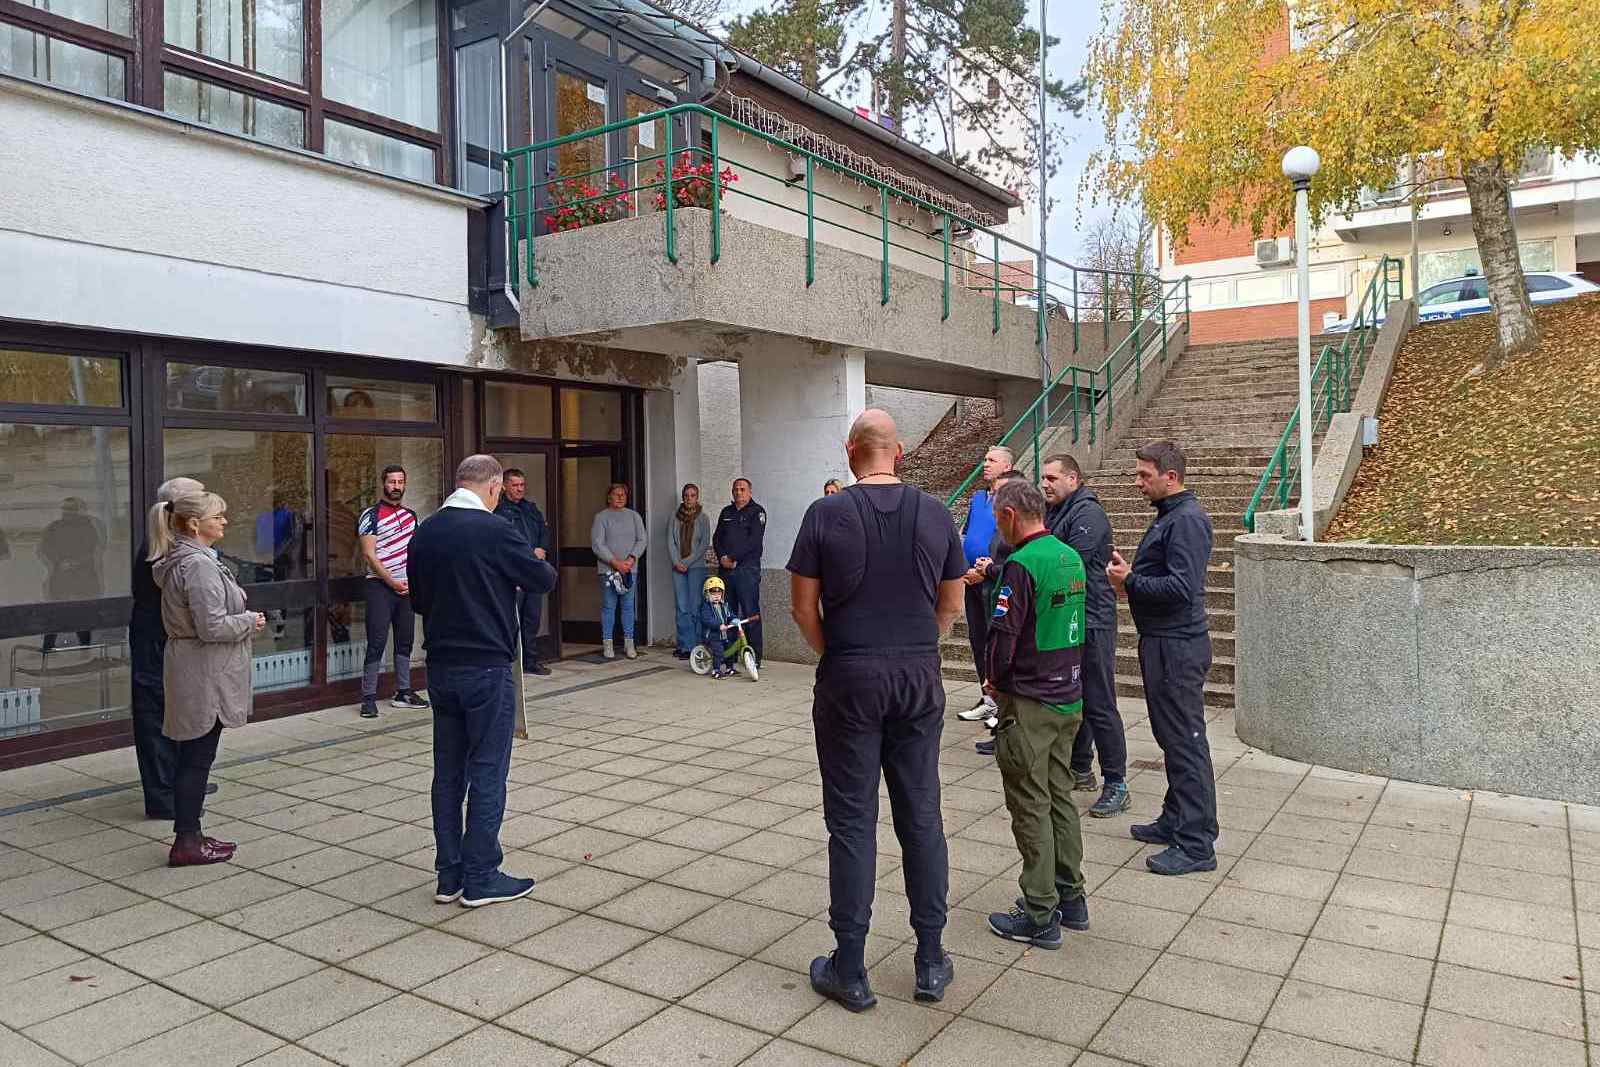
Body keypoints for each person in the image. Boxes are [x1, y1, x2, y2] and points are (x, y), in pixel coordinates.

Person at [788, 409, 967, 1012]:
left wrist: (838, 653)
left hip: (850, 675)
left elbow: (802, 608)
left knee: (851, 821)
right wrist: (915, 646)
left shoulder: (825, 514)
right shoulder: (936, 513)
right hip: (916, 674)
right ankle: (930, 959)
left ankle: (851, 966)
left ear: (850, 451)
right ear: (901, 452)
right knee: (921, 815)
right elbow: (951, 602)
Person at [409, 454, 558, 907]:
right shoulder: (495, 529)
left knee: (448, 773)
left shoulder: (426, 531)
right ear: (493, 487)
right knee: (488, 769)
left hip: (441, 667)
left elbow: (418, 600)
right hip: (487, 666)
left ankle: (449, 875)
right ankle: (481, 875)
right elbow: (543, 578)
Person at [982, 478, 1091, 947]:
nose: (998, 528)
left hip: (1029, 701)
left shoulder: (1021, 565)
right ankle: (1072, 896)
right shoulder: (1069, 556)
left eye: (997, 519)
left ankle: (1040, 911)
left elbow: (1004, 635)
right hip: (1068, 695)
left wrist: (993, 680)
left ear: (1009, 515)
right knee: (1059, 795)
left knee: (1030, 804)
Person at [1107, 440, 1219, 876]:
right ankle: (1176, 818)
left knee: (1186, 742)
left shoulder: (1187, 520)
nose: (1138, 483)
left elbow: (1181, 588)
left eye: (1144, 475)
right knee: (1173, 738)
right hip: (1162, 642)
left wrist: (1130, 579)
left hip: (1177, 646)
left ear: (1170, 477)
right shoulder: (1171, 517)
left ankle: (1196, 843)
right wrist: (1131, 579)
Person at [150, 489, 265, 866]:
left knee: (194, 756)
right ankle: (186, 841)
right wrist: (249, 621)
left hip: (196, 666)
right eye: (218, 516)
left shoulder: (188, 558)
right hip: (204, 671)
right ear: (195, 524)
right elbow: (211, 626)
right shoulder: (197, 564)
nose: (225, 521)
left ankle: (192, 835)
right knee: (197, 759)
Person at [1041, 454, 1130, 818]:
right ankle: (1080, 768)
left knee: (1100, 701)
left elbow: (1066, 562)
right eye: (1043, 478)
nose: (1045, 484)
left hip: (1092, 619)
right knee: (1075, 697)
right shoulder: (1057, 511)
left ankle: (1117, 783)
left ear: (1073, 479)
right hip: (1070, 617)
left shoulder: (1088, 513)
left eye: (1052, 478)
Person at [130, 476, 210, 820]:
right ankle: (163, 797)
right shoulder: (166, 547)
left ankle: (182, 784)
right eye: (201, 497)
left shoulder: (173, 542)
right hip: (156, 641)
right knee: (156, 716)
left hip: (165, 639)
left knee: (179, 712)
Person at [357, 465, 429, 718]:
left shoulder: (411, 516)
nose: (396, 486)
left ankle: (403, 692)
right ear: (383, 484)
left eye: (400, 482)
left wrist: (412, 580)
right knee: (376, 641)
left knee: (405, 640)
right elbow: (369, 554)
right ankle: (368, 698)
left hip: (406, 588)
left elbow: (416, 551)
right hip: (379, 586)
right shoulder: (370, 515)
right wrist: (392, 581)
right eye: (392, 482)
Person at [964, 468, 1024, 757]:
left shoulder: (1023, 531)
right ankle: (1000, 725)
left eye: (1001, 493)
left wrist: (988, 570)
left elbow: (1018, 568)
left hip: (1007, 601)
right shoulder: (1003, 524)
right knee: (989, 653)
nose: (994, 500)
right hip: (989, 592)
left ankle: (1008, 732)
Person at [956, 446, 1014, 724]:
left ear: (1007, 466)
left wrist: (986, 571)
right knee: (977, 639)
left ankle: (1002, 702)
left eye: (992, 460)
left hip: (993, 579)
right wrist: (964, 569)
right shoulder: (978, 497)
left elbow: (1009, 542)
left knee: (996, 642)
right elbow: (966, 533)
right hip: (971, 579)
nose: (985, 464)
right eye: (985, 459)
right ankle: (987, 699)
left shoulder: (1011, 500)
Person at [493, 468, 552, 676]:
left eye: (522, 485)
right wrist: (527, 554)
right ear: (504, 486)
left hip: (533, 573)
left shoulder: (530, 508)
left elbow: (544, 531)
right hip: (514, 574)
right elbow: (503, 544)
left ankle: (531, 660)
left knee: (532, 619)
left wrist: (542, 548)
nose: (520, 489)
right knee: (511, 621)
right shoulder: (499, 511)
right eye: (515, 485)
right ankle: (511, 663)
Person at [592, 482, 647, 660]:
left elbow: (642, 540)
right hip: (608, 570)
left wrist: (630, 559)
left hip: (629, 569)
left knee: (628, 606)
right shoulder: (601, 517)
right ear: (609, 497)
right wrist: (615, 562)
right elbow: (598, 544)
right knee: (609, 606)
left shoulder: (634, 516)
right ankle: (607, 643)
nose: (620, 497)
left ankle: (629, 643)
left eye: (623, 494)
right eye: (616, 494)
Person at [715, 477, 766, 664]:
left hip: (746, 570)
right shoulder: (726, 512)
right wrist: (722, 557)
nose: (738, 492)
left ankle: (754, 657)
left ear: (750, 492)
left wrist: (733, 558)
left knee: (750, 613)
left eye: (742, 489)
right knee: (728, 614)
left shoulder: (757, 512)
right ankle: (730, 657)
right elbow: (717, 538)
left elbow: (754, 541)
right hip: (726, 571)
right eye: (736, 489)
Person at [40, 497, 101, 650]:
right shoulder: (54, 527)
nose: (67, 512)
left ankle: (85, 649)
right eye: (65, 508)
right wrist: (57, 562)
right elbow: (44, 549)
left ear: (78, 510)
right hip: (60, 578)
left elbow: (92, 550)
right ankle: (48, 648)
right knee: (55, 614)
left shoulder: (87, 528)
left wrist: (75, 563)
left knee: (82, 614)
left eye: (71, 509)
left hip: (82, 578)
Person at [669, 483, 712, 660]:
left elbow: (703, 544)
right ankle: (684, 645)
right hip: (678, 568)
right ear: (682, 497)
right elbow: (670, 542)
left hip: (696, 568)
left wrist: (686, 562)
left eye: (692, 495)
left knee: (695, 606)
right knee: (682, 607)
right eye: (686, 495)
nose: (689, 498)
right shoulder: (674, 517)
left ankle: (696, 645)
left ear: (697, 497)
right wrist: (677, 562)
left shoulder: (703, 518)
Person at [698, 575, 736, 679]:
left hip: (724, 635)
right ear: (707, 594)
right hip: (712, 636)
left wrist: (734, 619)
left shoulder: (724, 605)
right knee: (718, 651)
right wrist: (718, 625)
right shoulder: (706, 607)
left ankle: (729, 668)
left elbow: (729, 614)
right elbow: (707, 619)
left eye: (719, 593)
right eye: (713, 593)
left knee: (731, 649)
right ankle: (716, 670)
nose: (716, 596)